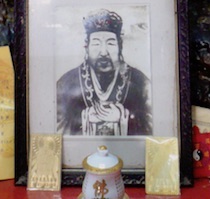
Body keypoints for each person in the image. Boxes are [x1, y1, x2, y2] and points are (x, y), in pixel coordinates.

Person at [56, 8, 152, 136]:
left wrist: (123, 118)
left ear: (120, 46)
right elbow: (56, 132)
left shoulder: (141, 83)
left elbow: (153, 130)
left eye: (110, 44)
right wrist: (85, 119)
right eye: (96, 44)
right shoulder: (66, 83)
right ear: (87, 47)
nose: (103, 52)